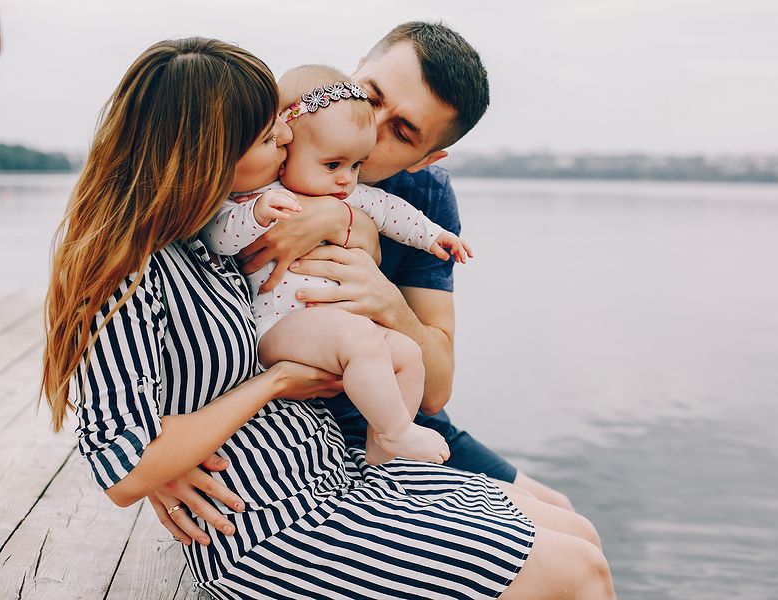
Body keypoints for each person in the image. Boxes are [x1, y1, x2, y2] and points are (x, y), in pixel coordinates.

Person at [41, 37, 616, 599]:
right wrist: (273, 386)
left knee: (579, 534)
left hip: (334, 468)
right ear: (213, 151)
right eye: (271, 136)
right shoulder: (151, 261)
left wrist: (349, 233)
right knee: (578, 570)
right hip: (273, 522)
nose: (288, 140)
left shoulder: (204, 240)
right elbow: (125, 451)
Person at [239, 21, 576, 509]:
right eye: (370, 96)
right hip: (296, 428)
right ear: (352, 73)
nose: (370, 130)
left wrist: (387, 297)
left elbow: (436, 390)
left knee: (562, 510)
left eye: (401, 131)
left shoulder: (424, 197)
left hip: (402, 418)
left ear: (425, 157)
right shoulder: (262, 150)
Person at [199, 63, 472, 466]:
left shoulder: (344, 190)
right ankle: (397, 432)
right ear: (285, 144)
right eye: (373, 97)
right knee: (361, 341)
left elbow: (392, 212)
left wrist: (433, 237)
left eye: (355, 166)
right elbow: (217, 236)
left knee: (405, 355)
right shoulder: (257, 188)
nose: (347, 178)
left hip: (332, 336)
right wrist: (255, 214)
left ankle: (385, 451)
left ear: (427, 157)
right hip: (278, 329)